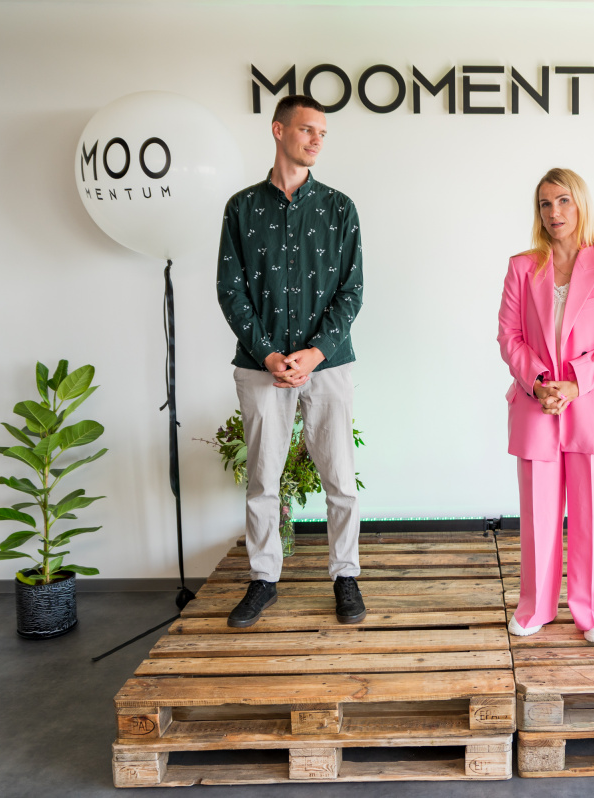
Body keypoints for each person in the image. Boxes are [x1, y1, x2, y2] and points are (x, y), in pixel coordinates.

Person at [216, 95, 365, 628]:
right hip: (262, 366)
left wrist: (315, 353)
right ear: (279, 131)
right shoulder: (240, 208)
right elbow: (230, 289)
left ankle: (345, 576)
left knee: (340, 478)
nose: (317, 139)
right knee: (262, 480)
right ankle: (263, 580)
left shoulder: (340, 208)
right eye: (307, 129)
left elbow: (352, 291)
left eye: (323, 132)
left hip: (329, 364)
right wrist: (270, 354)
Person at [497, 168, 594, 645]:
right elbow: (509, 337)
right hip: (536, 405)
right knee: (538, 515)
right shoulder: (522, 267)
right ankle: (535, 606)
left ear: (580, 204)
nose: (553, 212)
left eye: (563, 201)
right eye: (545, 203)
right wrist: (539, 382)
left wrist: (576, 384)